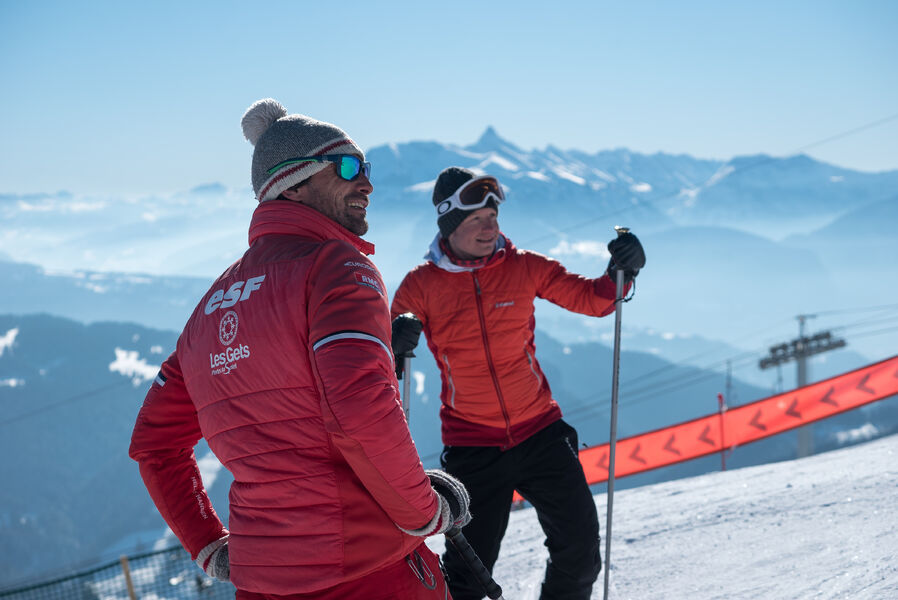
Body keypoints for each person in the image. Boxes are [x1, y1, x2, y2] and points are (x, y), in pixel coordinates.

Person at [129, 99, 470, 599]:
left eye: (367, 167)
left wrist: (209, 547)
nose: (368, 184)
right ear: (292, 183)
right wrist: (426, 512)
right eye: (349, 167)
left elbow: (155, 446)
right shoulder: (336, 267)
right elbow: (359, 408)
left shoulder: (206, 313)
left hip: (263, 583)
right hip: (367, 573)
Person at [390, 167, 645, 600]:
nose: (491, 228)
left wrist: (623, 271)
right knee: (468, 576)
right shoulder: (421, 285)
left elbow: (591, 298)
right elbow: (381, 354)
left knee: (581, 553)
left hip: (541, 431)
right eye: (477, 220)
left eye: (494, 217)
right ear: (450, 225)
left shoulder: (524, 266)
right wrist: (393, 339)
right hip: (473, 446)